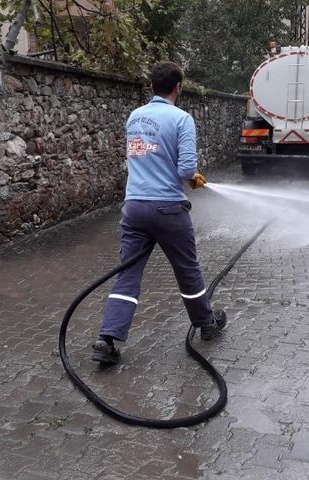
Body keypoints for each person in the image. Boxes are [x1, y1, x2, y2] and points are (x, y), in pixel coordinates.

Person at [91, 62, 227, 365]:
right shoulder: (182, 119)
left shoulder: (134, 117)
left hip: (135, 208)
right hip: (167, 209)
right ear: (178, 87)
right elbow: (186, 169)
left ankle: (107, 339)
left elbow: (143, 154)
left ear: (152, 87)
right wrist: (192, 178)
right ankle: (206, 325)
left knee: (127, 275)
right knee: (187, 270)